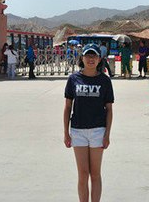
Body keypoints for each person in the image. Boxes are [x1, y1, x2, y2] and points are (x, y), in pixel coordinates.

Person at [63, 44, 114, 202]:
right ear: (82, 58)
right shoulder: (73, 79)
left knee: (95, 174)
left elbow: (109, 110)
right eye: (88, 55)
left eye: (94, 56)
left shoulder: (105, 81)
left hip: (98, 131)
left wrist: (107, 134)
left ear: (99, 59)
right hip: (78, 131)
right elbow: (67, 107)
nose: (91, 59)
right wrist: (66, 133)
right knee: (83, 174)